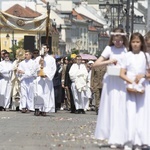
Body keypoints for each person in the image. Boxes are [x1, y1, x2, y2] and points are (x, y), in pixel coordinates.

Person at [94, 28, 129, 148]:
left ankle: (123, 136)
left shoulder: (127, 50)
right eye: (115, 40)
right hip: (111, 81)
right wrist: (109, 61)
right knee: (112, 107)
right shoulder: (109, 49)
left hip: (122, 81)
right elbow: (95, 64)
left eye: (120, 40)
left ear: (123, 39)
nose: (118, 42)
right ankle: (112, 137)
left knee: (122, 108)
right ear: (112, 39)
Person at [120, 32, 149, 150]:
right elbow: (122, 73)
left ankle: (142, 140)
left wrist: (143, 76)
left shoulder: (146, 56)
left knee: (142, 114)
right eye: (133, 42)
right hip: (130, 85)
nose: (135, 44)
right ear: (130, 43)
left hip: (142, 86)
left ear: (141, 43)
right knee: (130, 113)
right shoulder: (127, 56)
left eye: (137, 42)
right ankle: (129, 139)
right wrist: (130, 81)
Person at [34, 44, 56, 116]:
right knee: (39, 93)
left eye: (45, 48)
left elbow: (54, 69)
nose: (43, 49)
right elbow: (34, 68)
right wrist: (39, 64)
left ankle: (45, 109)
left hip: (47, 79)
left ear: (48, 49)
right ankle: (39, 109)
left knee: (46, 94)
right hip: (39, 78)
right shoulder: (37, 59)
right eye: (42, 48)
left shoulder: (51, 59)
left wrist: (48, 75)